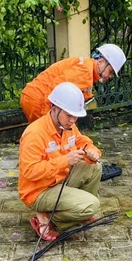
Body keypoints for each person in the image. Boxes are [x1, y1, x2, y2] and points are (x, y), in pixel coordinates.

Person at [18, 82, 102, 241]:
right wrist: (64, 161)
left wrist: (91, 150)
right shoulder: (34, 134)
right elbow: (29, 172)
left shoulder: (68, 125)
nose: (73, 120)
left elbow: (81, 141)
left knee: (95, 167)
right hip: (38, 191)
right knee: (92, 205)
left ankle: (79, 214)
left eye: (75, 115)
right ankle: (47, 219)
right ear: (54, 108)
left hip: (59, 180)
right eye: (69, 115)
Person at [20, 44, 126, 123]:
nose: (110, 76)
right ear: (101, 62)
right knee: (46, 137)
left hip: (36, 97)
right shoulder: (85, 72)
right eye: (111, 71)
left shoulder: (87, 69)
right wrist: (47, 118)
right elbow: (56, 89)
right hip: (37, 100)